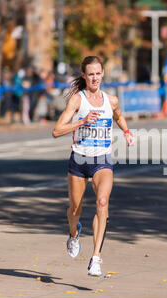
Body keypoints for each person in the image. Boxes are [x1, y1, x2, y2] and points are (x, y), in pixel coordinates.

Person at [52, 56, 135, 277]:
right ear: (84, 76)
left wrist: (126, 132)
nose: (95, 77)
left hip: (102, 160)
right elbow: (56, 130)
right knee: (75, 210)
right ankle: (73, 234)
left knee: (102, 202)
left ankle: (96, 257)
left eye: (98, 73)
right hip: (79, 160)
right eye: (91, 74)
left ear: (102, 74)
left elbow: (118, 116)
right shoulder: (77, 101)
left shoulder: (112, 100)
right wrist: (82, 121)